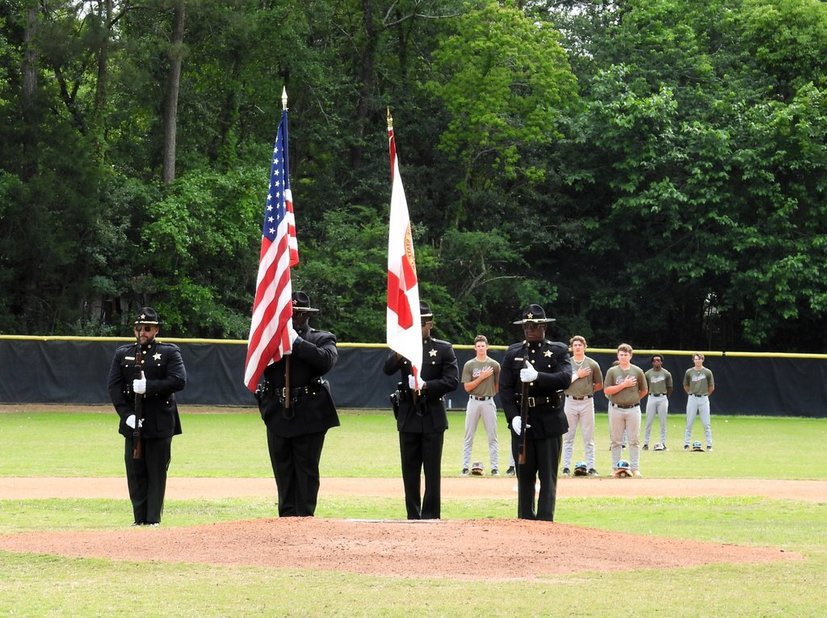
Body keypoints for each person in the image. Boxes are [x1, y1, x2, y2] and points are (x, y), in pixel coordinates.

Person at [255, 291, 340, 517]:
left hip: (309, 412)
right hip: (277, 411)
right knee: (282, 469)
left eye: (298, 314)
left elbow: (325, 361)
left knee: (306, 469)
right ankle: (286, 518)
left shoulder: (322, 338)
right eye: (290, 314)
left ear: (307, 316)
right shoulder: (270, 341)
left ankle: (304, 517)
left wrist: (297, 343)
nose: (294, 319)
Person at [107, 307, 186, 526]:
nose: (142, 332)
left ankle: (153, 520)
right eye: (139, 328)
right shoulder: (123, 354)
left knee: (156, 472)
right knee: (135, 473)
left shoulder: (169, 353)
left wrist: (148, 387)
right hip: (133, 423)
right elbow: (113, 388)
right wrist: (127, 416)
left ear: (156, 330)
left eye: (147, 328)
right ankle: (138, 519)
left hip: (159, 422)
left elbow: (179, 380)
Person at [384, 301, 458, 519]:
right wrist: (400, 350)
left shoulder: (443, 349)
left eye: (423, 323)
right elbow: (387, 369)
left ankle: (431, 515)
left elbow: (451, 381)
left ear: (430, 324)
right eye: (415, 323)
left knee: (432, 471)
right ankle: (412, 514)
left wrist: (427, 386)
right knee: (410, 469)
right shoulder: (403, 348)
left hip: (432, 412)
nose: (419, 327)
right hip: (408, 412)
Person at [499, 304, 572, 521]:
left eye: (534, 325)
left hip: (549, 419)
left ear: (543, 327)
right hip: (523, 420)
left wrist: (538, 376)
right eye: (526, 326)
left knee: (548, 478)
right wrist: (513, 417)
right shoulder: (513, 353)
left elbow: (565, 378)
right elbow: (504, 389)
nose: (529, 329)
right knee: (524, 476)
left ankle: (545, 521)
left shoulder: (557, 350)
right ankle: (525, 521)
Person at [603, 343, 648, 477]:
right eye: (621, 354)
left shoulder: (637, 371)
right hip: (616, 408)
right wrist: (624, 385)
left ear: (630, 356)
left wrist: (632, 398)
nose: (623, 357)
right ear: (618, 355)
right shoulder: (612, 371)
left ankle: (635, 468)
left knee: (634, 439)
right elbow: (607, 390)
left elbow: (644, 390)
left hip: (633, 408)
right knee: (616, 440)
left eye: (626, 355)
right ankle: (615, 468)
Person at [561, 335, 603, 476]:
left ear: (585, 347)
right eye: (575, 345)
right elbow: (562, 383)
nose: (577, 347)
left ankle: (591, 467)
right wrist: (578, 375)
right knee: (568, 436)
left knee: (588, 436)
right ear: (571, 347)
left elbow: (599, 384)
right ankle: (566, 467)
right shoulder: (566, 363)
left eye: (580, 345)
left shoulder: (592, 364)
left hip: (586, 401)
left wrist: (587, 391)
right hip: (570, 400)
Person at [460, 335, 501, 476]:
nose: (481, 348)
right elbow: (467, 387)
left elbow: (497, 386)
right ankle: (465, 467)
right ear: (475, 348)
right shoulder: (470, 365)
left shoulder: (494, 365)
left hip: (488, 401)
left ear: (487, 347)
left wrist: (490, 392)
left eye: (483, 345)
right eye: (478, 346)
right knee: (469, 434)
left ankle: (495, 467)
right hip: (473, 401)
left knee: (492, 435)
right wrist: (481, 377)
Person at [683, 352, 715, 451]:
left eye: (699, 359)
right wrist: (691, 393)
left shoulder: (707, 372)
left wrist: (705, 395)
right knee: (689, 422)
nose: (697, 361)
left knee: (706, 423)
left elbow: (711, 387)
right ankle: (686, 444)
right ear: (693, 360)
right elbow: (686, 385)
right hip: (692, 398)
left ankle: (709, 445)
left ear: (702, 360)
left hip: (704, 398)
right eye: (695, 359)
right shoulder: (689, 372)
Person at [643, 354, 673, 450]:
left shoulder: (666, 373)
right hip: (651, 397)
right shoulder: (647, 374)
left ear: (661, 362)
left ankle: (663, 443)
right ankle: (646, 443)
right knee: (648, 421)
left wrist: (665, 397)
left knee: (663, 422)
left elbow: (670, 387)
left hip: (662, 397)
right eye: (655, 360)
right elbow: (645, 386)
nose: (657, 362)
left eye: (658, 360)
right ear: (652, 362)